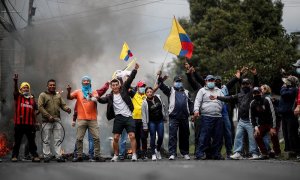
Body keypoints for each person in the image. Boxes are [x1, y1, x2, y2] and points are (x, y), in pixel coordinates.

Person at [211, 68, 260, 160]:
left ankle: (254, 153)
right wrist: (217, 97)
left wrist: (255, 75)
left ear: (250, 85)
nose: (245, 85)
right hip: (241, 120)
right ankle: (238, 152)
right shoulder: (239, 95)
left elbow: (256, 85)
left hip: (250, 120)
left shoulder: (251, 94)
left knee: (252, 138)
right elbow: (228, 98)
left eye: (247, 84)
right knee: (238, 136)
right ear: (241, 86)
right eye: (243, 84)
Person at [97, 63, 140, 162]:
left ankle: (134, 155)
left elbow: (130, 79)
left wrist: (135, 70)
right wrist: (97, 98)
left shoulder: (124, 89)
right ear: (111, 87)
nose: (115, 86)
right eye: (113, 85)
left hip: (129, 117)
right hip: (119, 118)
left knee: (132, 136)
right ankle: (116, 155)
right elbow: (102, 100)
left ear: (119, 85)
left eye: (116, 85)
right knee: (116, 138)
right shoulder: (110, 96)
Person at [67, 76, 109, 162]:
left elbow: (96, 98)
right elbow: (69, 97)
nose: (86, 82)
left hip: (92, 119)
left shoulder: (94, 92)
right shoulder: (78, 92)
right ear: (82, 83)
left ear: (90, 83)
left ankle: (97, 155)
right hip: (81, 119)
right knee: (79, 138)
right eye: (84, 81)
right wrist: (68, 91)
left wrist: (93, 97)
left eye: (87, 81)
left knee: (96, 138)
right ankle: (79, 156)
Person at [158, 74, 193, 160]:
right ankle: (172, 153)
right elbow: (161, 86)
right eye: (177, 81)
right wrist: (160, 77)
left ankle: (185, 153)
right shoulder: (170, 90)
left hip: (184, 117)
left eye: (180, 81)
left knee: (184, 135)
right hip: (174, 117)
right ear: (174, 82)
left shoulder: (186, 92)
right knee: (172, 135)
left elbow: (190, 104)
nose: (178, 83)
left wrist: (192, 113)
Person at [38, 79, 71, 162]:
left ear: (55, 86)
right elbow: (40, 107)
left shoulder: (58, 96)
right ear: (47, 86)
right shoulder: (43, 95)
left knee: (58, 139)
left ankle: (58, 156)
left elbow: (63, 105)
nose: (52, 86)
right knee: (46, 139)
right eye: (50, 85)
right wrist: (48, 116)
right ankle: (47, 156)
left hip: (57, 120)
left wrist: (67, 109)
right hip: (47, 121)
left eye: (53, 85)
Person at [194, 75, 224, 160]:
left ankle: (216, 154)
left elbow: (223, 101)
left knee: (218, 137)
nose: (211, 82)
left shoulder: (219, 90)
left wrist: (218, 108)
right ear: (206, 81)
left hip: (218, 116)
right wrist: (196, 110)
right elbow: (197, 101)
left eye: (212, 80)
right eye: (209, 80)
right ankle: (199, 154)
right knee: (204, 136)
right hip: (206, 116)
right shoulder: (202, 90)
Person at [11, 74, 40, 162]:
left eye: (27, 87)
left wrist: (36, 122)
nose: (26, 89)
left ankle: (35, 156)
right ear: (21, 89)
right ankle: (14, 156)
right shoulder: (18, 97)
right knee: (17, 141)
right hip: (19, 124)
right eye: (24, 87)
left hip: (30, 124)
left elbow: (35, 110)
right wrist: (16, 82)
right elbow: (15, 91)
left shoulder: (32, 99)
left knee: (31, 142)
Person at [250, 87, 281, 159]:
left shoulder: (267, 100)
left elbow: (272, 113)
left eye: (258, 93)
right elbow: (251, 117)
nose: (256, 94)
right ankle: (264, 153)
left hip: (273, 120)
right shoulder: (252, 103)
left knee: (273, 134)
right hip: (262, 123)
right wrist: (255, 127)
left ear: (261, 93)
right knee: (257, 135)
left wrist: (272, 127)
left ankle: (277, 152)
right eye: (254, 93)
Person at [278, 75, 300, 159]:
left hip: (291, 114)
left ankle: (297, 151)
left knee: (292, 133)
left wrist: (283, 87)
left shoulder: (294, 89)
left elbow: (283, 94)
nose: (285, 83)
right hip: (284, 114)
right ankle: (288, 149)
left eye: (287, 82)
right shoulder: (288, 89)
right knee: (285, 132)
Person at [142, 87, 166, 161]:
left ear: (153, 92)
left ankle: (158, 150)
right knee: (153, 137)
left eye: (151, 91)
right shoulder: (144, 102)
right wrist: (145, 125)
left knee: (161, 136)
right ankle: (153, 154)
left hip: (160, 121)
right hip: (151, 122)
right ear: (145, 94)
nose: (149, 93)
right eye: (148, 92)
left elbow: (163, 107)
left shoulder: (158, 97)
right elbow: (144, 115)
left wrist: (165, 116)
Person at [130, 80, 148, 160]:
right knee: (136, 137)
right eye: (141, 86)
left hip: (144, 119)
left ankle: (144, 154)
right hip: (134, 119)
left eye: (143, 86)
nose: (142, 88)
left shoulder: (147, 94)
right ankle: (137, 153)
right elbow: (126, 87)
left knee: (143, 137)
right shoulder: (134, 94)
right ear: (137, 87)